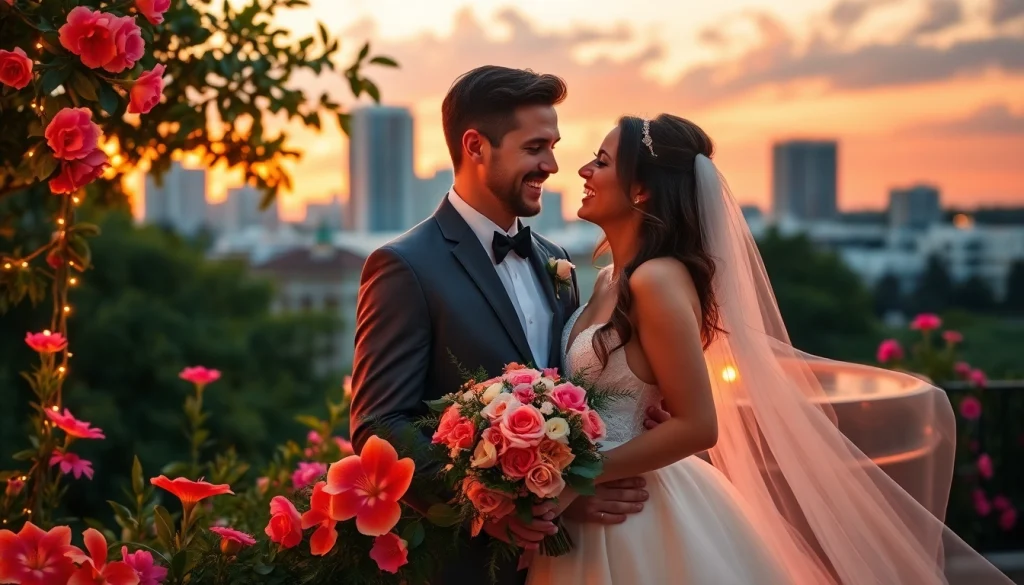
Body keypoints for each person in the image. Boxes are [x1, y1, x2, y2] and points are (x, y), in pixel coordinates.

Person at [526, 114, 1014, 584]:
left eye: (602, 161)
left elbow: (699, 425)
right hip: (592, 505)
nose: (584, 170)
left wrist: (576, 479)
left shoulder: (657, 279)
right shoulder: (609, 280)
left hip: (632, 515)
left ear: (641, 189)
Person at [347, 66, 656, 585]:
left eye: (553, 147)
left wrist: (641, 407)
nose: (552, 165)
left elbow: (577, 387)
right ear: (475, 146)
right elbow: (380, 425)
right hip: (467, 566)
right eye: (535, 148)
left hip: (573, 558)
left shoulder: (557, 260)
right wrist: (495, 507)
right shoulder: (404, 266)